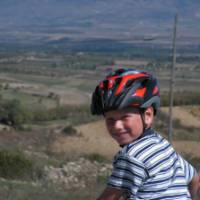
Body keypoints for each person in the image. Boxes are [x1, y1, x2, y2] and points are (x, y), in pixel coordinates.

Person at [91, 68, 199, 200]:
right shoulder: (162, 145)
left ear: (147, 115)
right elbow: (194, 178)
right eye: (110, 120)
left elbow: (110, 197)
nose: (117, 126)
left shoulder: (131, 156)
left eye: (125, 117)